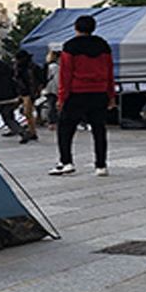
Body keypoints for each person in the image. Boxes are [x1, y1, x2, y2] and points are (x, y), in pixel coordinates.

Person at [49, 14, 115, 176]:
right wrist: (111, 95)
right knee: (99, 129)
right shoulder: (103, 46)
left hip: (76, 92)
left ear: (76, 28)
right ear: (93, 28)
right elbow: (109, 72)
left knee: (65, 128)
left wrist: (61, 97)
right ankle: (101, 165)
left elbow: (66, 75)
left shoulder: (70, 46)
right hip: (99, 92)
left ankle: (66, 162)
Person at [13, 48, 43, 141]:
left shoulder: (24, 67)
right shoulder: (31, 67)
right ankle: (30, 131)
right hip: (25, 92)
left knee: (27, 112)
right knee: (27, 113)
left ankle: (31, 131)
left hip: (27, 92)